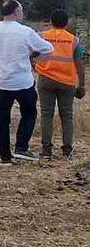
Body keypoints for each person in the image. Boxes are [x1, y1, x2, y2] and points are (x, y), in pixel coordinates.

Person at [0, 0, 54, 163]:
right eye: (21, 11)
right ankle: (21, 147)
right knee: (29, 113)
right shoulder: (25, 32)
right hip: (22, 82)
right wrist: (32, 55)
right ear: (16, 12)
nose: (21, 13)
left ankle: (5, 156)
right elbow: (48, 48)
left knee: (2, 119)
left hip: (0, 82)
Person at [36, 9, 85, 159]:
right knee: (67, 116)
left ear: (51, 22)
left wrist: (35, 67)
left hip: (45, 80)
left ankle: (46, 150)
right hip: (67, 82)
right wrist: (82, 85)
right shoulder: (74, 40)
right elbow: (79, 65)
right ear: (67, 23)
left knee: (46, 115)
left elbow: (31, 54)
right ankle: (67, 151)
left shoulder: (42, 37)